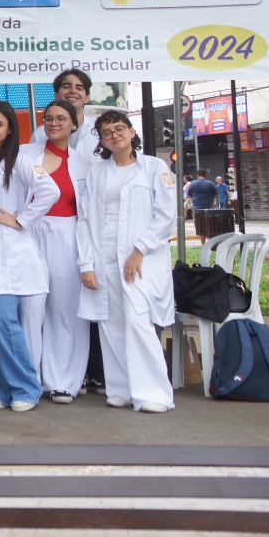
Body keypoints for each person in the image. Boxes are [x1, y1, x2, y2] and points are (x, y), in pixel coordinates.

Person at [77, 111, 176, 412]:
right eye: (106, 132)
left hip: (140, 259)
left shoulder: (153, 167)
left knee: (137, 322)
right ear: (102, 141)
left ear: (132, 132)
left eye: (119, 129)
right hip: (104, 256)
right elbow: (85, 219)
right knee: (110, 323)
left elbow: (166, 216)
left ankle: (154, 394)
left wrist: (139, 250)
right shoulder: (97, 171)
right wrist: (87, 264)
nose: (114, 135)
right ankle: (121, 388)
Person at [0, 101, 58, 412]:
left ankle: (27, 387)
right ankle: (4, 388)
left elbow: (50, 190)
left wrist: (21, 218)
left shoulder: (19, 159)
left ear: (9, 130)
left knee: (0, 316)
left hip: (5, 246)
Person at [21, 100, 88, 403]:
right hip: (28, 232)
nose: (54, 123)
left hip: (66, 234)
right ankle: (27, 377)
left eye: (62, 118)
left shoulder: (84, 162)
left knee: (64, 309)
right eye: (48, 118)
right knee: (30, 309)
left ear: (74, 123)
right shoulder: (25, 154)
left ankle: (63, 380)